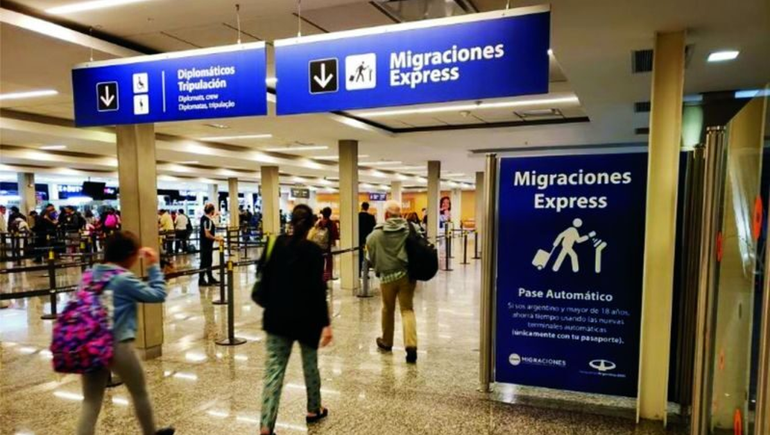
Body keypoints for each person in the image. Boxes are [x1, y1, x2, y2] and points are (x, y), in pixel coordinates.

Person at [75, 231, 174, 435]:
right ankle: (150, 433)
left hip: (90, 344)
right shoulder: (122, 278)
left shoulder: (88, 276)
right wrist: (153, 266)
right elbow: (158, 294)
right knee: (139, 392)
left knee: (91, 400)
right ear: (127, 255)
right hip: (118, 345)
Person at [258, 204, 332, 435]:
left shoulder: (274, 243)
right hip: (306, 320)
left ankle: (266, 425)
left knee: (273, 372)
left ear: (290, 221)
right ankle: (313, 409)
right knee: (310, 365)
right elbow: (318, 290)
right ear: (311, 225)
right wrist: (326, 324)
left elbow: (261, 273)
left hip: (277, 317)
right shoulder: (313, 252)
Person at [366, 200, 419, 364]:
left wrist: (379, 268)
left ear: (386, 215)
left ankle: (387, 342)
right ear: (400, 215)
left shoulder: (375, 235)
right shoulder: (412, 229)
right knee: (407, 310)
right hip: (407, 276)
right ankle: (411, 345)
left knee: (387, 309)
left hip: (387, 278)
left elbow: (371, 259)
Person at [199, 203, 223, 286]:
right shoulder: (208, 221)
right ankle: (201, 280)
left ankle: (210, 278)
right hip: (207, 244)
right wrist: (217, 238)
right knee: (205, 261)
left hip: (204, 244)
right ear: (212, 210)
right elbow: (207, 234)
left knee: (207, 261)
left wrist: (214, 216)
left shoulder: (204, 218)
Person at [315, 207, 339, 282]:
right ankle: (329, 276)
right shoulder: (332, 223)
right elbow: (335, 235)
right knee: (329, 261)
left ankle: (320, 274)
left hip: (319, 244)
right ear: (330, 214)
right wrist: (334, 243)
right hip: (328, 245)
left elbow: (314, 232)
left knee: (320, 260)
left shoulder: (318, 222)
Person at [358, 202, 376, 274]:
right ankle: (366, 273)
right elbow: (373, 229)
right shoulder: (371, 217)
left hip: (358, 240)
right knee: (366, 256)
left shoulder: (357, 216)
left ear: (361, 207)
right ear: (367, 208)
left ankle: (358, 272)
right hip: (367, 240)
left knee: (359, 256)